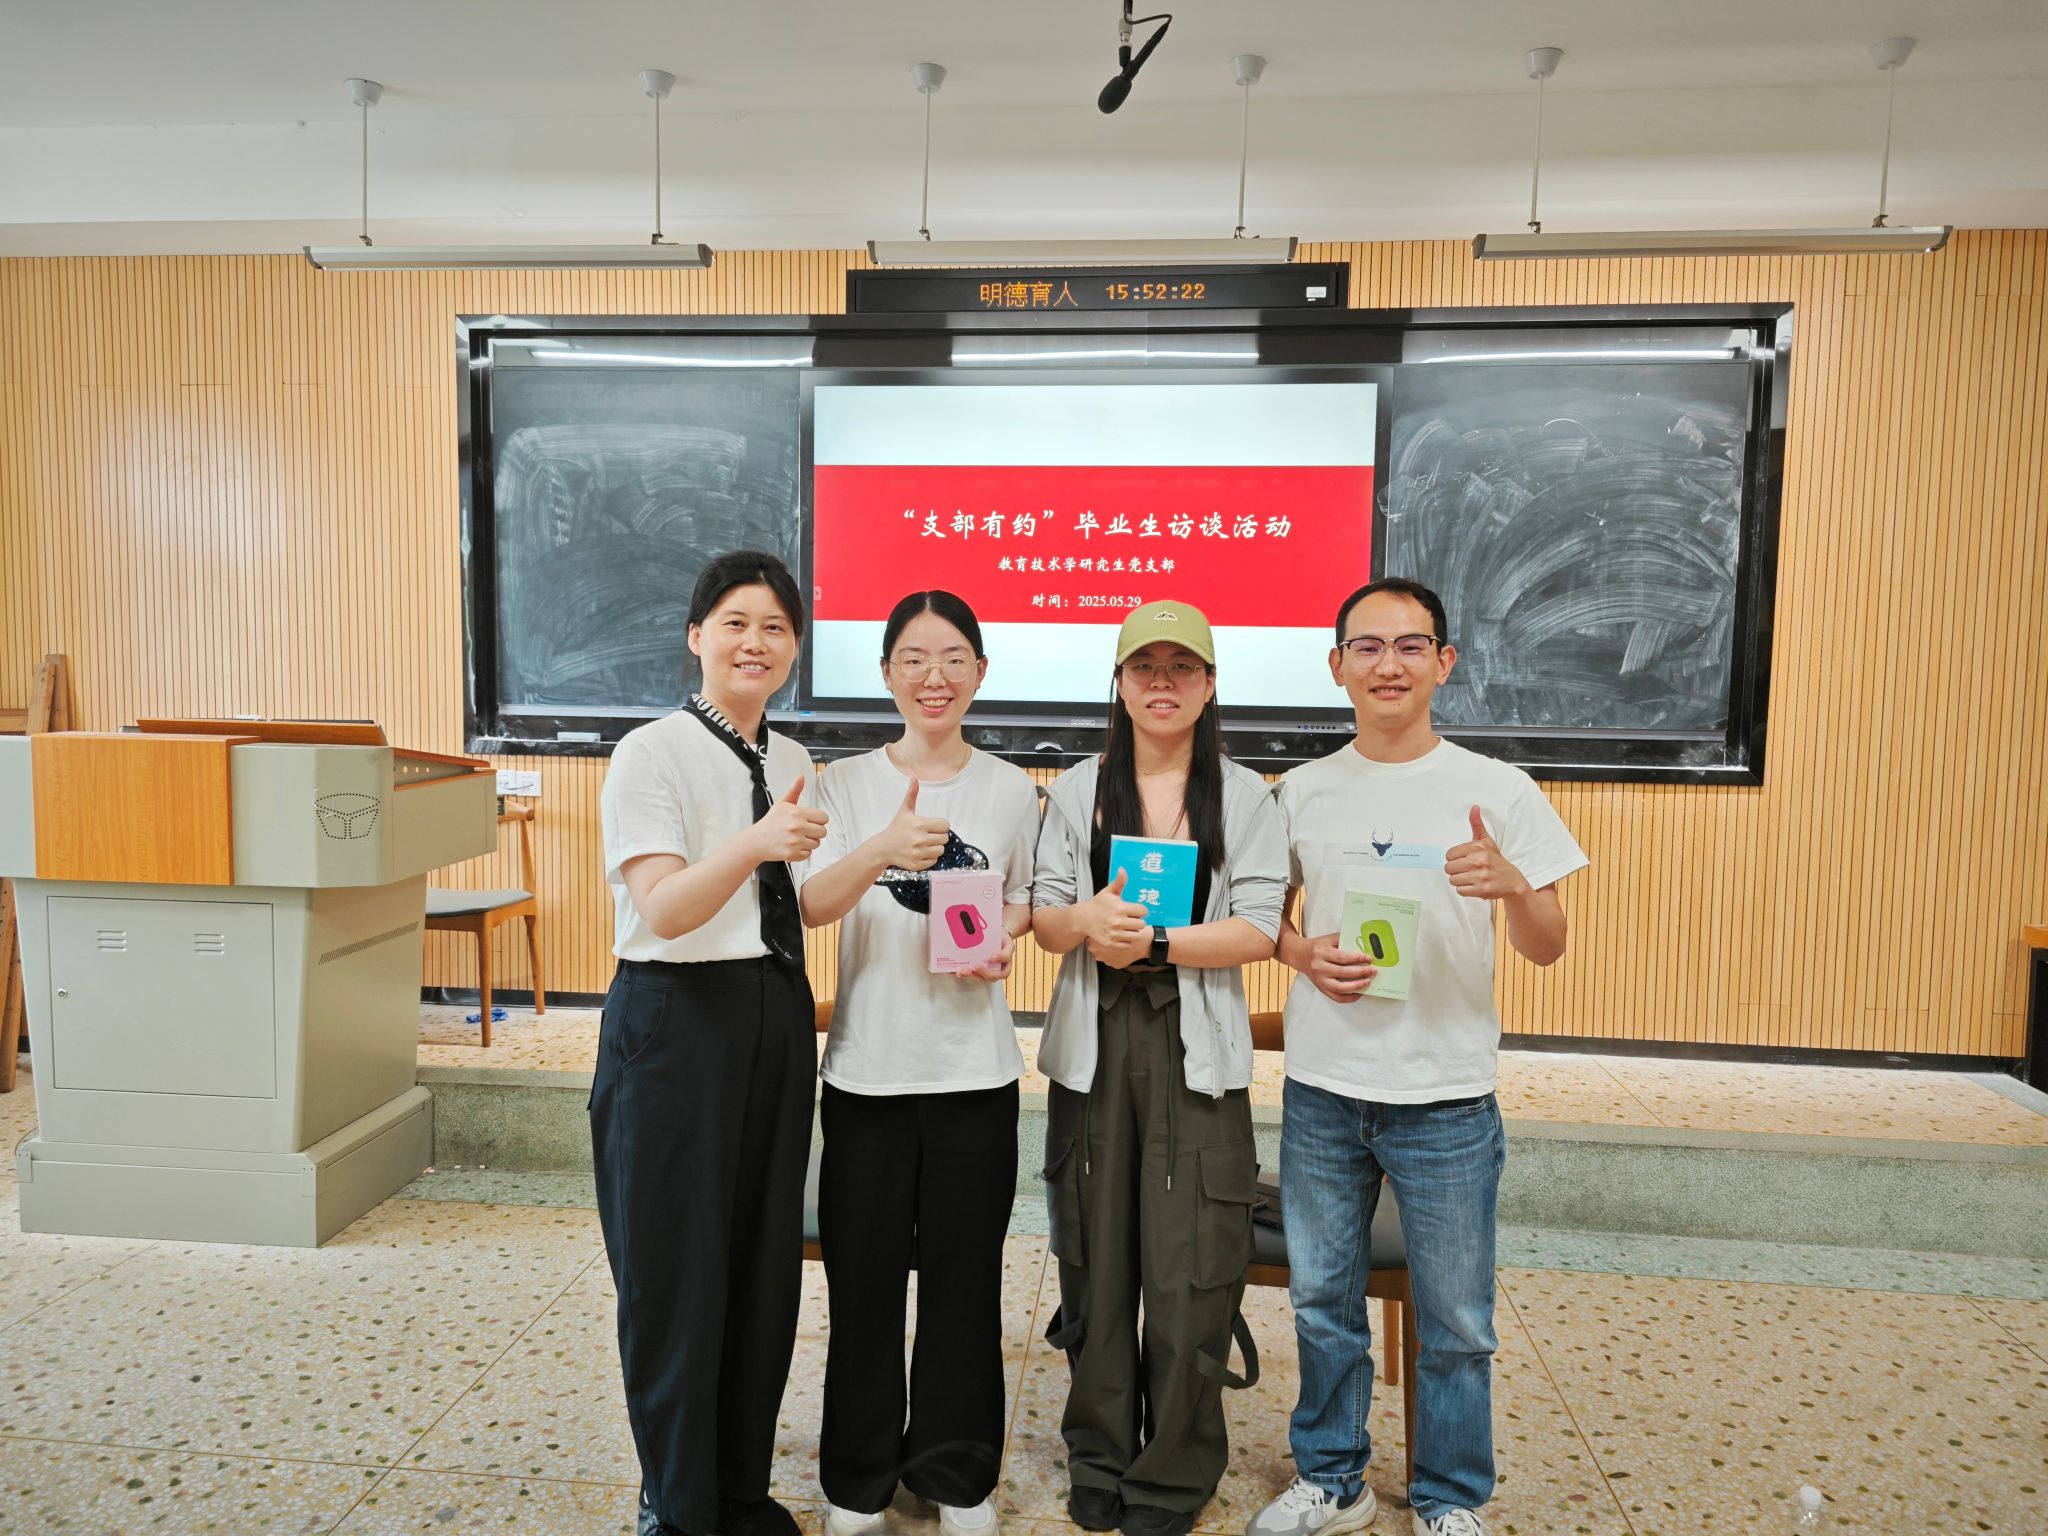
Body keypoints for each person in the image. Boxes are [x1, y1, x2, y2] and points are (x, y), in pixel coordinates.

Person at [1247, 578, 1589, 1536]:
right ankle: (1333, 1479)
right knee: (1322, 1302)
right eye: (1367, 646)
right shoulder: (1302, 790)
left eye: (1409, 646)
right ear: (1337, 667)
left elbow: (1549, 945)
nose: (1387, 664)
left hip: (1446, 1097)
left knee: (1458, 1321)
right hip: (1324, 1090)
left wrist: (1516, 886)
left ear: (1444, 662)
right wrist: (1300, 953)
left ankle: (1449, 1496)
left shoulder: (1498, 789)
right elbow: (1263, 918)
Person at [1031, 599, 1289, 1536]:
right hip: (1095, 1045)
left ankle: (1173, 1472)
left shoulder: (1248, 797)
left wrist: (1161, 943)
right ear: (1120, 682)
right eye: (1146, 667)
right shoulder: (1077, 792)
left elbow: (1259, 926)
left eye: (1183, 668)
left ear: (1210, 685)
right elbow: (1045, 917)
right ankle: (1099, 1454)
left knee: (1191, 1270)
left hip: (1196, 1047)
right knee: (1094, 1262)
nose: (1163, 683)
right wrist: (1086, 923)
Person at [592, 549, 828, 1536]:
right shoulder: (650, 752)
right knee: (677, 1277)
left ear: (794, 647)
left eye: (775, 627)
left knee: (761, 1271)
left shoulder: (788, 753)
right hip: (676, 1025)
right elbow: (665, 909)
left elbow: (795, 902)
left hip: (772, 1013)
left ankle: (738, 1492)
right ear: (696, 637)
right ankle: (678, 1505)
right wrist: (755, 841)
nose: (755, 642)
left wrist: (863, 855)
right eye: (736, 622)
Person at [798, 591, 1040, 1536]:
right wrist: (882, 849)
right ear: (887, 673)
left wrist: (1003, 937)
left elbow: (1022, 899)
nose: (933, 677)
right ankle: (856, 1479)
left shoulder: (1011, 789)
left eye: (952, 658)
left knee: (963, 1285)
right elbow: (813, 904)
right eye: (913, 658)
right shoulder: (842, 783)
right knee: (861, 1287)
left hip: (975, 1071)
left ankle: (958, 1475)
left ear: (980, 670)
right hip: (868, 1070)